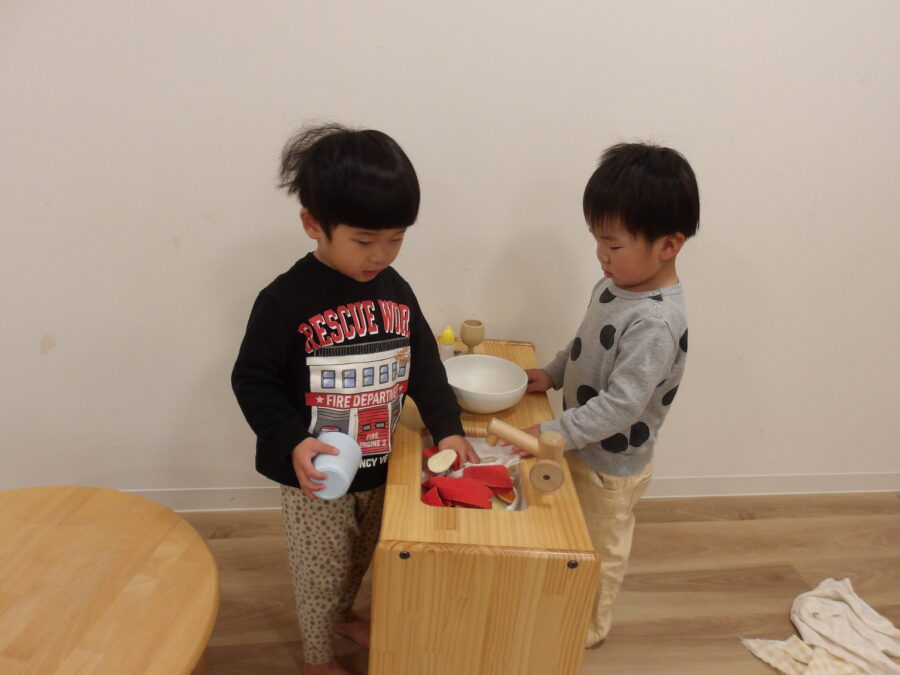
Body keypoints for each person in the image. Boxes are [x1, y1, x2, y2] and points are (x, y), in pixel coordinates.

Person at [231, 123, 476, 675]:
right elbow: (252, 380)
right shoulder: (285, 300)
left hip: (381, 461)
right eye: (364, 241)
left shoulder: (395, 289)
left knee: (361, 557)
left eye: (396, 239)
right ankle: (317, 656)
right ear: (313, 224)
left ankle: (342, 616)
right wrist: (293, 441)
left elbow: (423, 365)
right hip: (316, 471)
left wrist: (448, 427)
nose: (381, 255)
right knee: (319, 571)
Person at [511, 142, 699, 647]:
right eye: (597, 240)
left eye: (613, 245)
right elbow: (586, 341)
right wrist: (552, 373)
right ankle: (560, 597)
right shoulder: (614, 285)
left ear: (668, 245)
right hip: (579, 443)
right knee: (567, 530)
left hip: (610, 467)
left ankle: (590, 625)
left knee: (598, 547)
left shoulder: (655, 322)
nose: (601, 255)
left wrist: (553, 431)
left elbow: (622, 405)